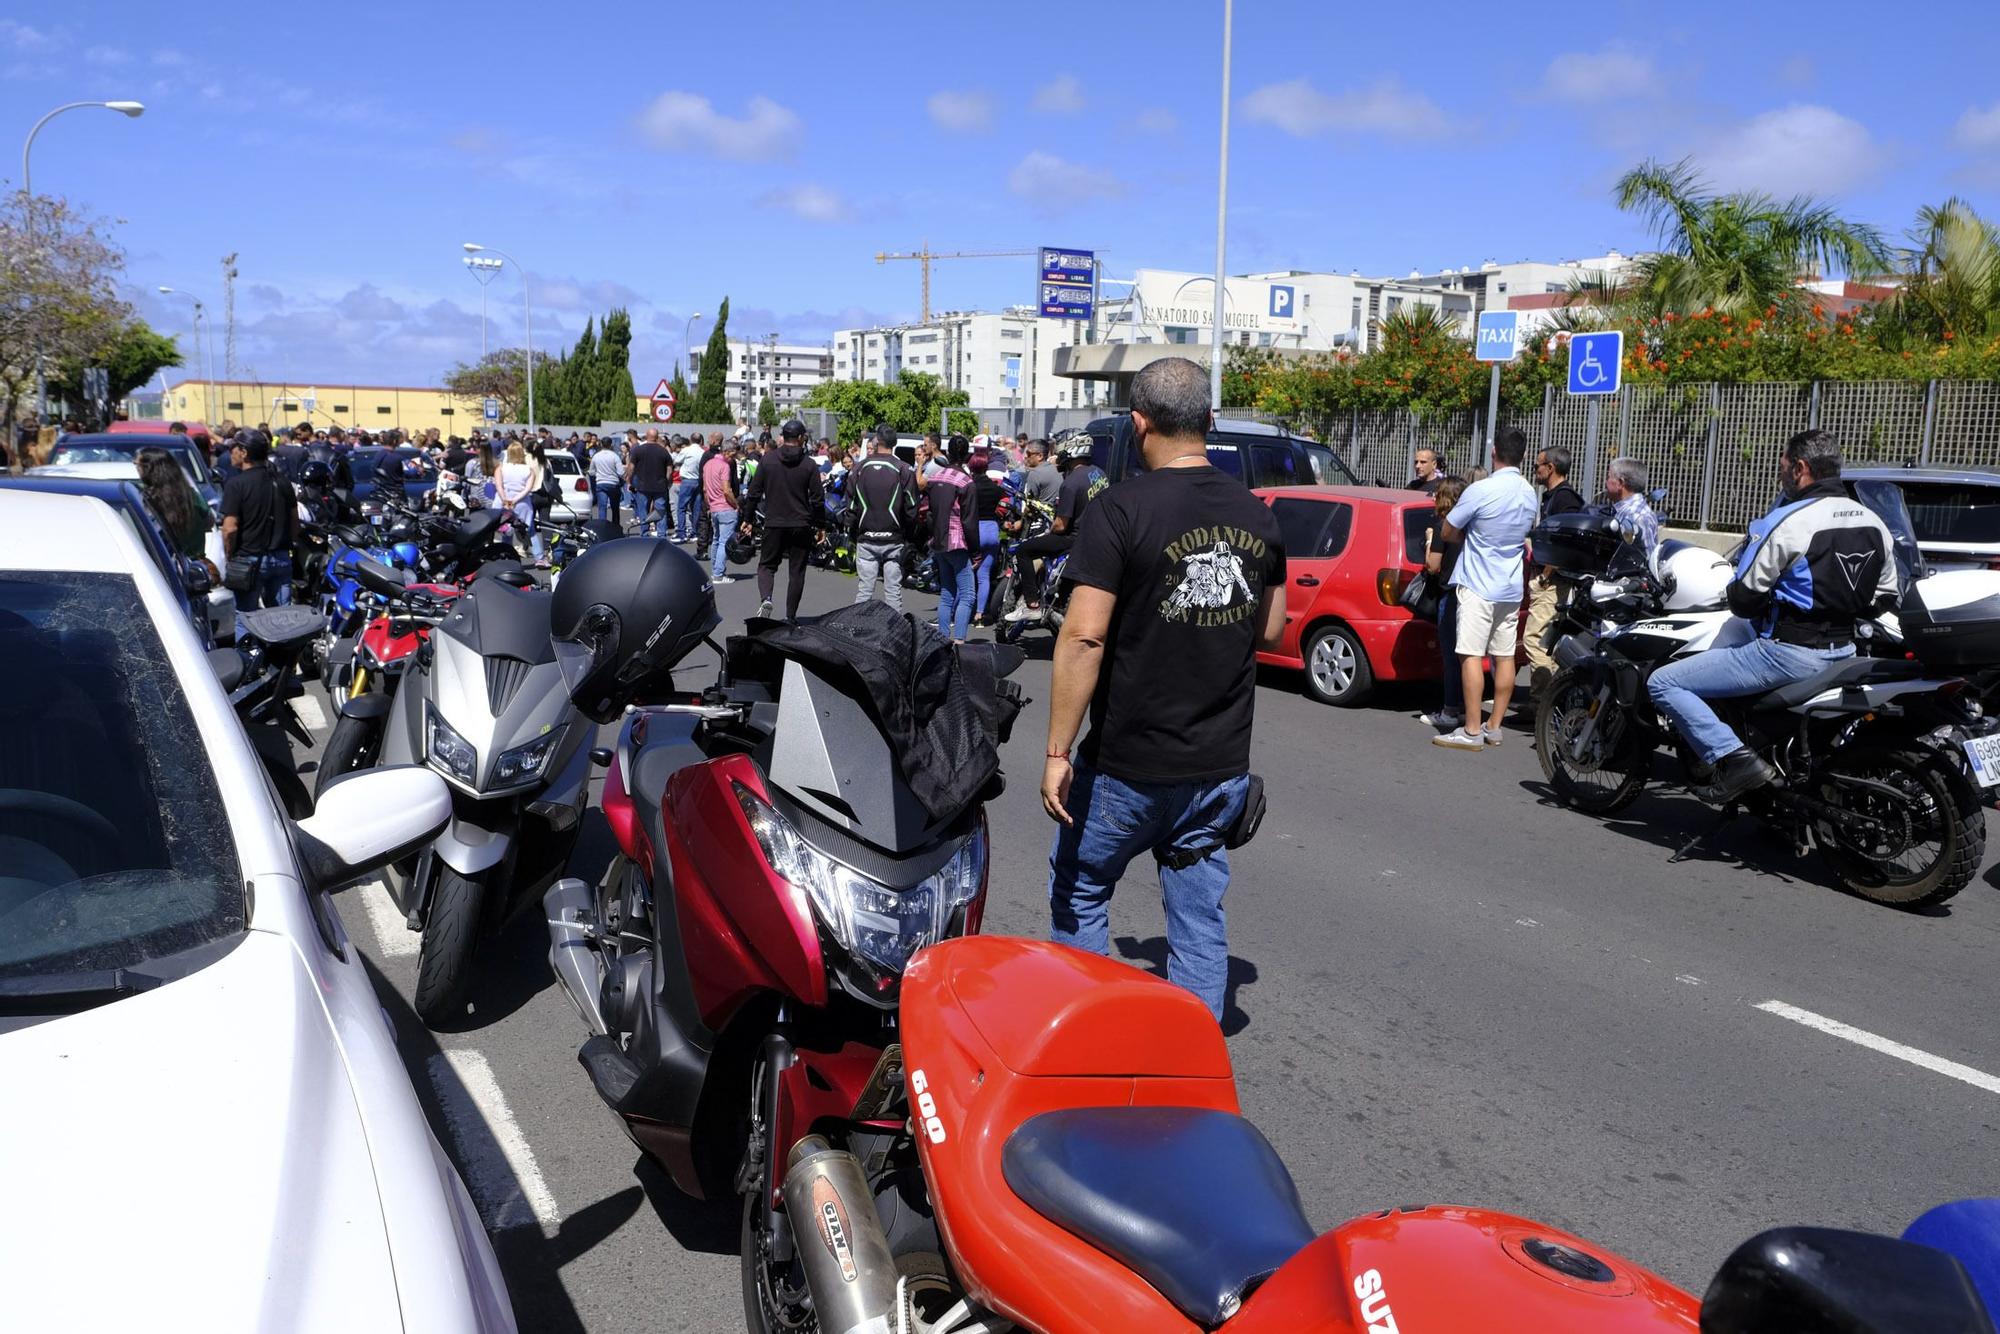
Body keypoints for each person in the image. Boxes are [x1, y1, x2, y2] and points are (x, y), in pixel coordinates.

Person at [1041, 356, 1286, 1020]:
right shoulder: (1256, 514)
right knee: (1198, 915)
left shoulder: (1118, 510)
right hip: (1219, 764)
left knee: (1083, 888)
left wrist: (1058, 753)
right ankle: (1192, 1050)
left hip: (1129, 763)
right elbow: (1272, 628)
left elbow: (1085, 637)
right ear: (1209, 422)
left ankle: (1092, 1032)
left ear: (1139, 423)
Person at [1648, 430, 1896, 801]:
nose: (1780, 477)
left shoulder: (1787, 521)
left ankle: (1734, 760)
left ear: (1800, 468)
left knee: (1664, 683)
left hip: (1787, 654)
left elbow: (1743, 598)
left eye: (1782, 469)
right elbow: (1884, 597)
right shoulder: (1874, 523)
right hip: (1844, 653)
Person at [1433, 426, 1538, 751]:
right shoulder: (1529, 492)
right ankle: (1494, 726)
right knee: (1504, 656)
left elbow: (1448, 530)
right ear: (1523, 456)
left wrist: (1472, 538)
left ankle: (1471, 728)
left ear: (1494, 452)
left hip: (1478, 585)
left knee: (1470, 655)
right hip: (1510, 587)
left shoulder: (1480, 490)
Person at [1523, 445, 1588, 694]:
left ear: (1550, 468)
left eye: (1537, 465)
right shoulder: (1553, 497)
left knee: (1534, 640)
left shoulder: (1565, 499)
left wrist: (1544, 576)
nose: (1534, 470)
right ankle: (1539, 703)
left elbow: (1565, 543)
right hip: (1548, 580)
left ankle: (1543, 703)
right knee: (1545, 642)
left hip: (1553, 583)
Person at [746, 419, 825, 621]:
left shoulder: (768, 460)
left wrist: (747, 518)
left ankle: (766, 598)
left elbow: (754, 493)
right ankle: (791, 616)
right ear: (800, 438)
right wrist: (820, 526)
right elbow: (817, 499)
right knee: (797, 571)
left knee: (766, 566)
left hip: (774, 522)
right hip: (801, 523)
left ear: (783, 436)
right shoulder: (809, 464)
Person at [220, 431, 298, 610]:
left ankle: (248, 640)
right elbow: (295, 521)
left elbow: (229, 529)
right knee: (281, 617)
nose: (231, 452)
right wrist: (290, 544)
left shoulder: (236, 484)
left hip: (248, 559)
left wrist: (229, 555)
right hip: (280, 557)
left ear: (244, 452)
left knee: (246, 617)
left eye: (234, 448)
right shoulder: (283, 482)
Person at [1419, 476, 1469, 729]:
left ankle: (1449, 710)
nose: (1433, 498)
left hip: (1449, 594)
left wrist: (1429, 539)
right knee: (1466, 656)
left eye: (1437, 494)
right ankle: (1463, 707)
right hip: (1469, 594)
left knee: (1449, 657)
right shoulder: (1470, 526)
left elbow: (1433, 566)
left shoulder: (1442, 527)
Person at [850, 425, 917, 613]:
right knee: (893, 591)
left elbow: (850, 505)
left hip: (866, 537)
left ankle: (856, 631)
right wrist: (909, 535)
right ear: (894, 443)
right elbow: (912, 508)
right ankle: (895, 635)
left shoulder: (860, 468)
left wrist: (851, 531)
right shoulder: (903, 469)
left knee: (864, 591)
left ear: (876, 442)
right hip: (894, 539)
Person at [928, 435, 978, 642]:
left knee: (947, 592)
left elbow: (929, 511)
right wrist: (976, 551)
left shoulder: (936, 477)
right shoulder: (966, 482)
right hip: (957, 541)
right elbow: (969, 521)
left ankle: (942, 638)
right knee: (967, 594)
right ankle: (959, 640)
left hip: (938, 540)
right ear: (967, 456)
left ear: (948, 453)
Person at [136, 445, 212, 565]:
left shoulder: (145, 500)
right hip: (194, 569)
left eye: (137, 465)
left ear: (148, 469)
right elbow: (209, 522)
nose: (136, 469)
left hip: (161, 568)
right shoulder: (192, 496)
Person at [968, 450, 1006, 626]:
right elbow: (1007, 503)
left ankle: (962, 611)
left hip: (974, 530)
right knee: (984, 576)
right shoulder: (995, 488)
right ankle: (979, 615)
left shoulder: (969, 485)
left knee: (967, 574)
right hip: (992, 530)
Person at [497, 441, 546, 564]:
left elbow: (498, 486)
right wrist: (515, 499)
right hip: (522, 503)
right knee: (530, 530)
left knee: (506, 530)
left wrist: (505, 499)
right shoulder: (528, 470)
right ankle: (539, 558)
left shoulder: (501, 468)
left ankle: (505, 555)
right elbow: (527, 489)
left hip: (503, 501)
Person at [1604, 456, 1661, 559]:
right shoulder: (1621, 510)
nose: (1606, 482)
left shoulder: (1638, 517)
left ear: (1620, 483)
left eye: (1609, 477)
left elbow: (1647, 559)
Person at [703, 432, 741, 584]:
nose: (733, 459)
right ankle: (718, 574)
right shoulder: (724, 466)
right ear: (725, 452)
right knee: (724, 541)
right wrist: (736, 505)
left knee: (716, 540)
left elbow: (705, 489)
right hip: (725, 507)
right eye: (732, 455)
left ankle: (715, 570)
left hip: (713, 507)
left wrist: (709, 505)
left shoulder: (708, 464)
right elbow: (727, 490)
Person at [629, 429, 673, 538]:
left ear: (646, 436)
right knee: (660, 511)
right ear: (657, 437)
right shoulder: (663, 451)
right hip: (660, 486)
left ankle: (644, 533)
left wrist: (630, 481)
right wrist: (667, 481)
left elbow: (631, 467)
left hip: (642, 486)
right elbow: (669, 469)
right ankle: (661, 534)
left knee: (643, 510)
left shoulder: (638, 450)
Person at [672, 433, 704, 541]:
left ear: (690, 440)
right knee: (696, 508)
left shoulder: (686, 450)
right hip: (698, 481)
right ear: (700, 441)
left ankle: (681, 533)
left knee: (681, 507)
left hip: (687, 481)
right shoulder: (702, 452)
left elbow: (676, 461)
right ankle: (695, 532)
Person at [590, 436, 625, 526]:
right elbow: (621, 472)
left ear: (601, 444)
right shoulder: (614, 456)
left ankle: (603, 527)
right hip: (613, 483)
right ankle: (616, 526)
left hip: (601, 483)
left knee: (602, 507)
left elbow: (592, 472)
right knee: (615, 507)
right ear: (611, 445)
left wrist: (598, 474)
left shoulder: (596, 456)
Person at [1020, 438, 1061, 508]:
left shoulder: (1035, 474)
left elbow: (1029, 504)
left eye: (1028, 453)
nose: (1025, 456)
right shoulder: (1057, 469)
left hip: (1042, 516)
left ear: (1040, 456)